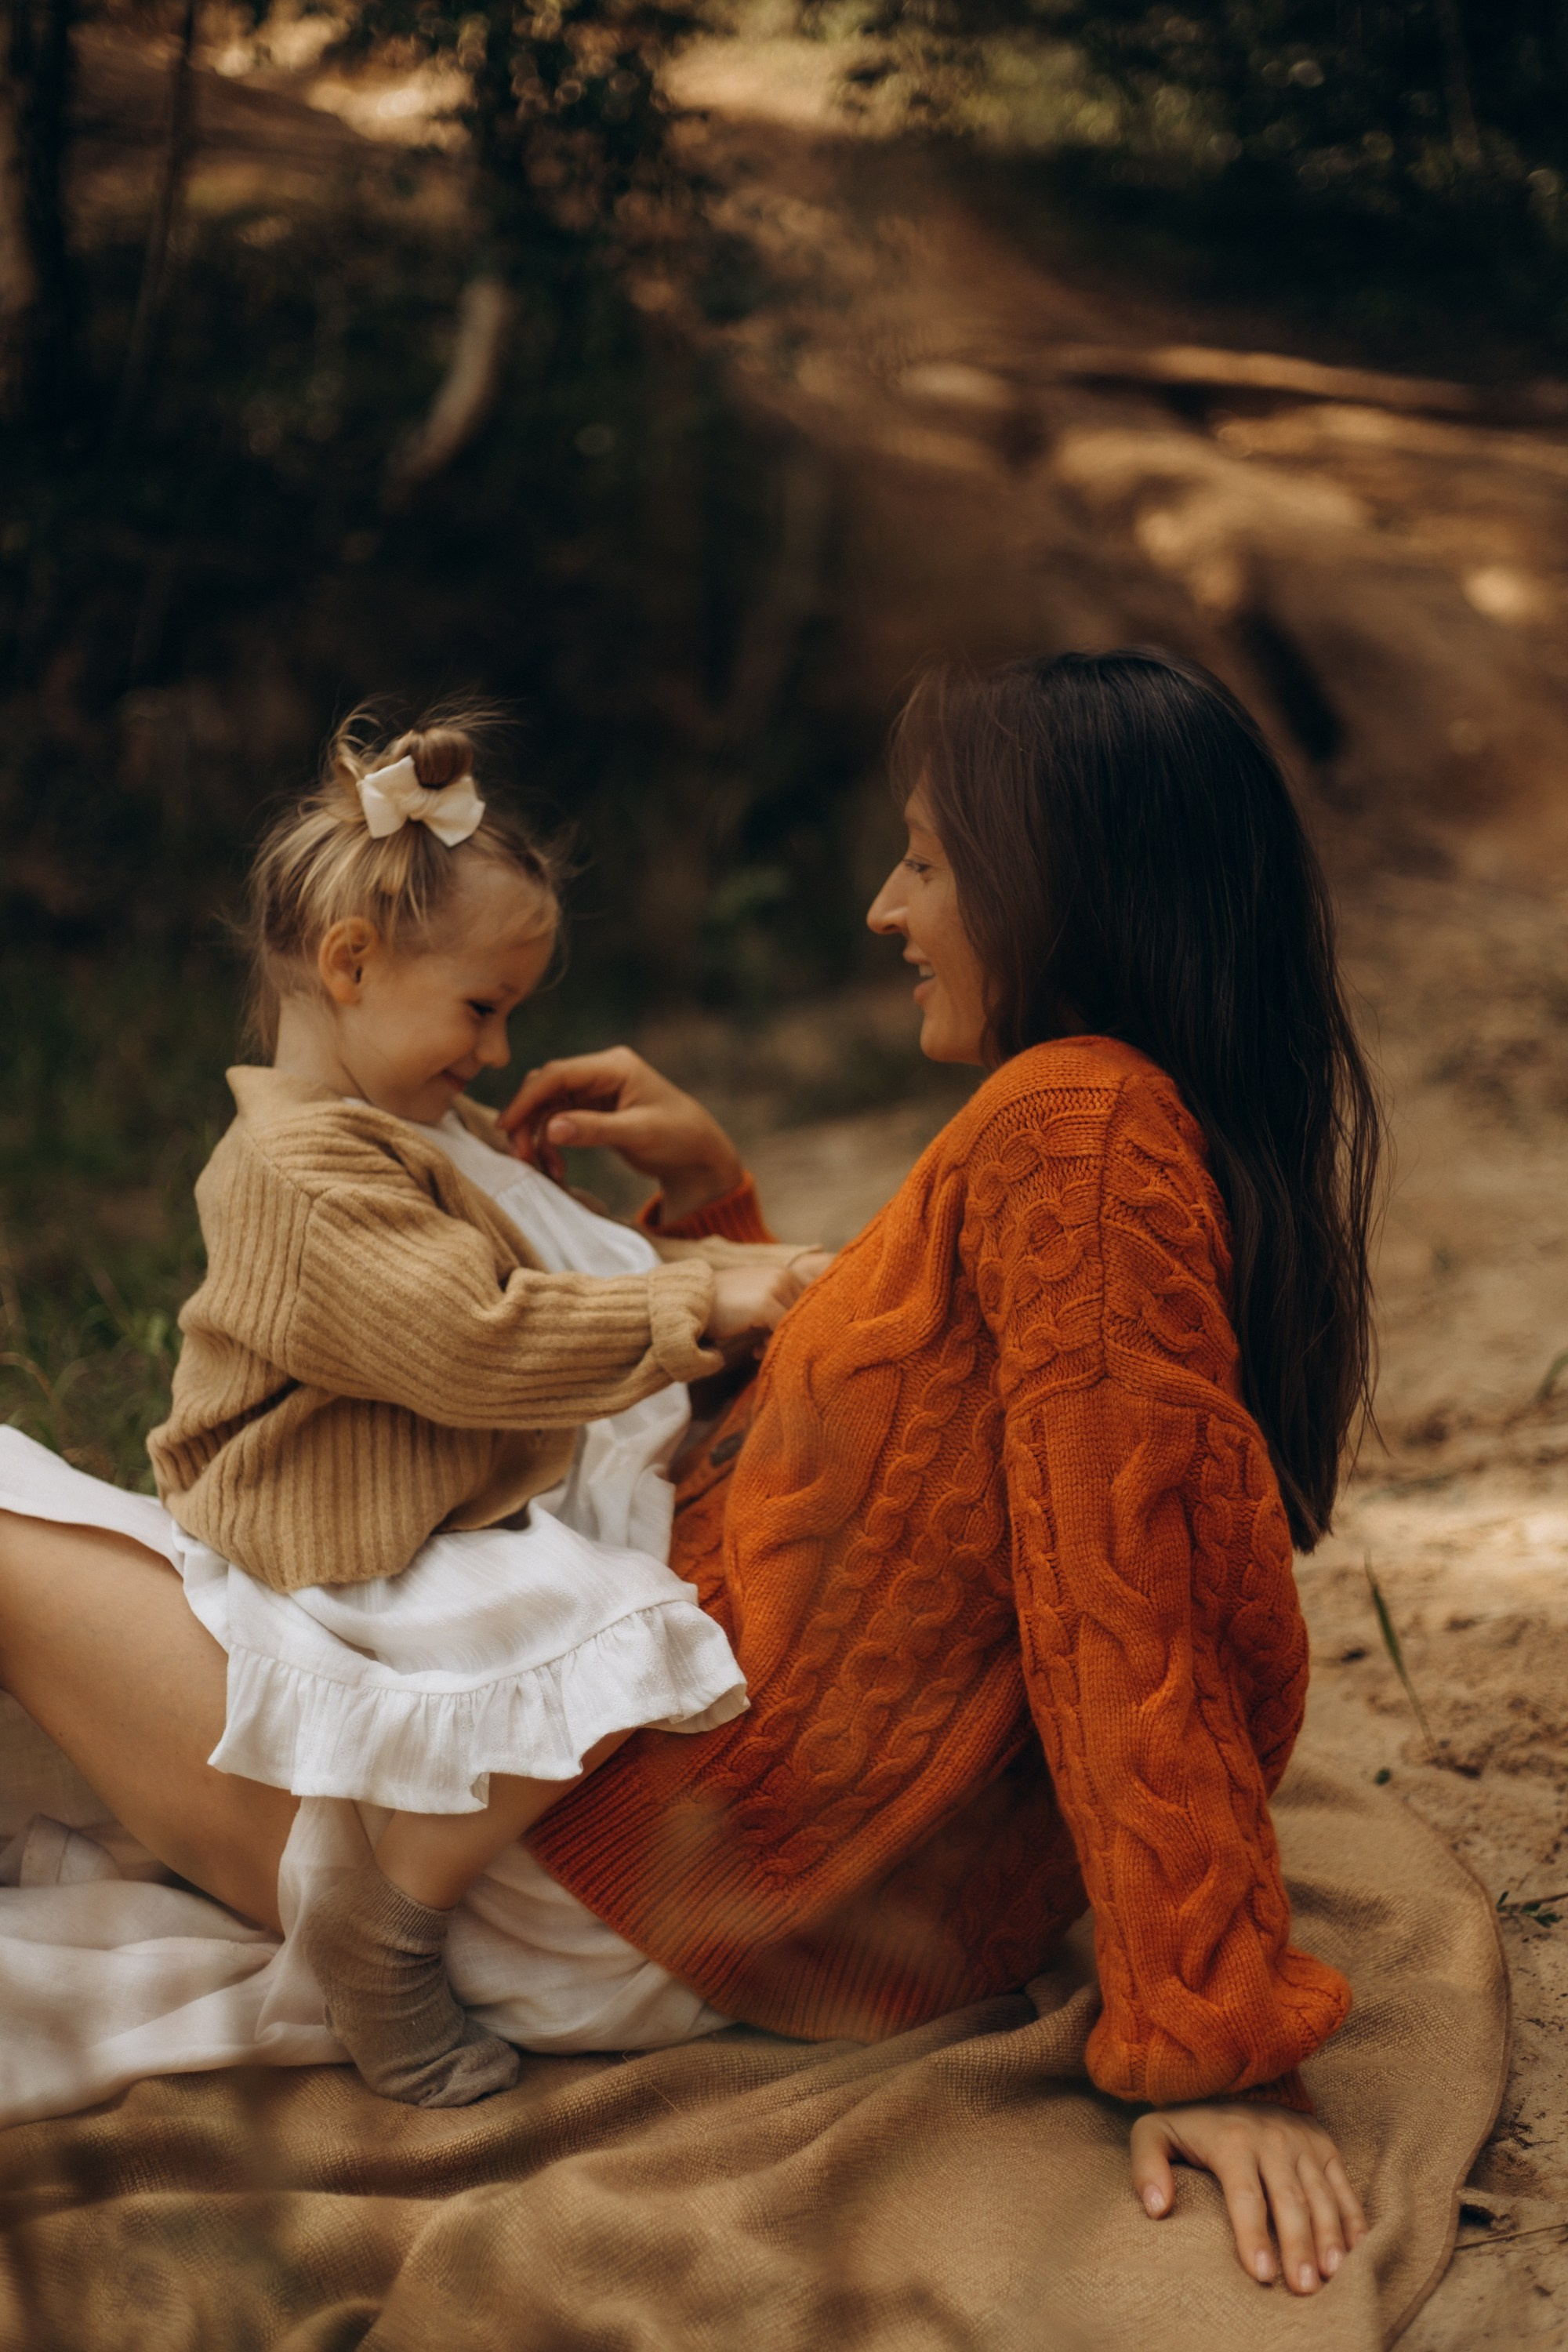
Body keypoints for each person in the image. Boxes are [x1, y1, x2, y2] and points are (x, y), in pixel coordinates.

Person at [0, 649, 1377, 2295]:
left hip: (630, 1863)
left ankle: (376, 1919)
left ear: (1063, 887)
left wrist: (1213, 2040)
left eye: (926, 861)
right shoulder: (1118, 1133)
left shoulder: (1072, 1134)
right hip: (707, 1853)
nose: (883, 907)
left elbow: (1118, 1589)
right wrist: (721, 1212)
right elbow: (911, 1470)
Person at [88, 711, 818, 2110]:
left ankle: (385, 1877)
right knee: (608, 1623)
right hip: (346, 1518)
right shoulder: (299, 1172)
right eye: (482, 1008)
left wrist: (748, 1268)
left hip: (452, 1479)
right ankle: (382, 1928)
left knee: (608, 1588)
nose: (495, 1050)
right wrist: (702, 1307)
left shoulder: (419, 1125)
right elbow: (475, 1339)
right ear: (351, 966)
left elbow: (580, 1266)